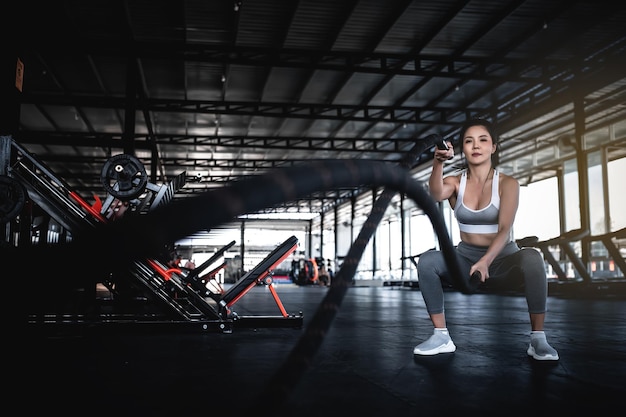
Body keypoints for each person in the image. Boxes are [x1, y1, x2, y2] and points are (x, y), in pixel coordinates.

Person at [414, 118, 559, 361]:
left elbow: (505, 228)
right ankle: (441, 336)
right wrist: (438, 162)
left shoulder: (508, 183)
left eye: (483, 140)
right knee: (427, 261)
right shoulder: (455, 182)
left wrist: (486, 261)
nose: (476, 146)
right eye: (469, 141)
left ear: (493, 147)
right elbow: (436, 194)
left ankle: (538, 339)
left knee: (533, 257)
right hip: (465, 260)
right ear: (462, 149)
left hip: (504, 261)